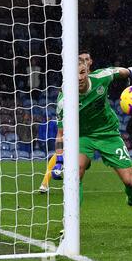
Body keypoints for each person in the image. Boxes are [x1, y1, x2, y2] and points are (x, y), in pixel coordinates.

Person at [51, 59, 132, 223]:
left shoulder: (100, 78)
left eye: (82, 72)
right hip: (82, 137)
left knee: (131, 182)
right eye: (74, 74)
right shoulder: (64, 99)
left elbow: (119, 71)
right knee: (76, 174)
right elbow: (60, 133)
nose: (79, 77)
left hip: (108, 134)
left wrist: (131, 72)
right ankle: (71, 223)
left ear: (87, 71)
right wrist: (59, 160)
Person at [39, 51, 94, 193]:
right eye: (81, 59)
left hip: (92, 124)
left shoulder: (96, 79)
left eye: (87, 59)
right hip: (74, 119)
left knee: (85, 163)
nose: (85, 61)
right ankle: (48, 180)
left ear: (91, 62)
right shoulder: (72, 81)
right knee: (64, 146)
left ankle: (67, 173)